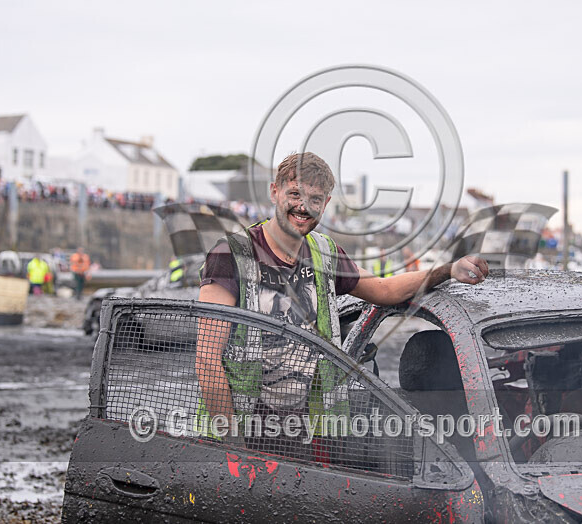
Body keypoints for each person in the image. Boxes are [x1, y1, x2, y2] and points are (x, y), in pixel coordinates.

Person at [196, 152, 489, 441]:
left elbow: (384, 290)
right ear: (275, 191)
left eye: (315, 199)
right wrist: (233, 446)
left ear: (326, 204)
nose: (303, 207)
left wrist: (448, 270)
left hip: (305, 432)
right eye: (295, 193)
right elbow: (207, 359)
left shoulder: (324, 254)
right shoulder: (231, 254)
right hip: (244, 430)